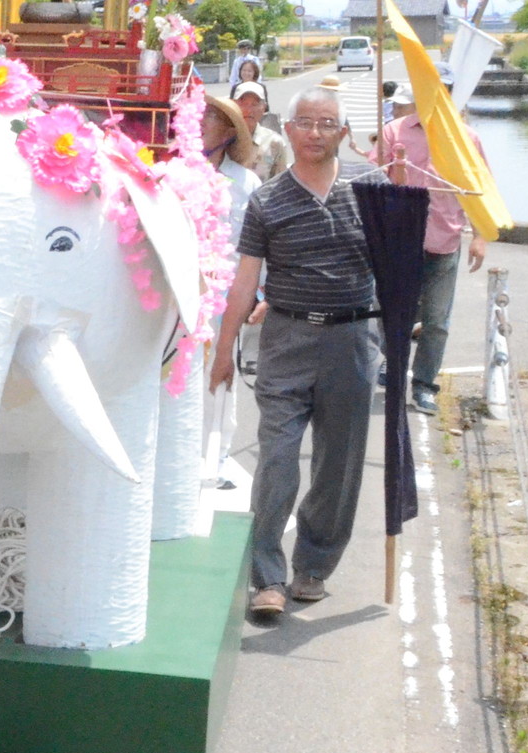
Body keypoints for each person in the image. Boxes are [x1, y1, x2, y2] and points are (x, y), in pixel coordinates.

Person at [209, 87, 381, 619]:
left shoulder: (370, 189)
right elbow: (245, 283)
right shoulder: (267, 200)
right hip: (286, 340)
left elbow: (400, 264)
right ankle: (267, 575)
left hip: (352, 341)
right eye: (304, 122)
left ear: (344, 133)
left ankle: (313, 566)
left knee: (338, 465)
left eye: (327, 123)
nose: (314, 132)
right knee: (278, 459)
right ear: (288, 130)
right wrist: (223, 350)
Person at [371, 83, 489, 414]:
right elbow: (373, 179)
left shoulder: (467, 138)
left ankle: (424, 384)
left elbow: (479, 188)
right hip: (398, 241)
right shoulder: (394, 130)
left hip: (444, 241)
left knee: (436, 320)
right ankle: (392, 363)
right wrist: (391, 164)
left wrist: (479, 236)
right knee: (392, 311)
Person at [201, 98, 262, 486]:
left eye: (212, 120)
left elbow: (254, 249)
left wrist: (258, 295)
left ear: (227, 134)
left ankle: (216, 455)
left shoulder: (246, 182)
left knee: (220, 372)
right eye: (201, 116)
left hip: (223, 295)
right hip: (177, 295)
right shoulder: (173, 172)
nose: (202, 124)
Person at [233, 82, 290, 180]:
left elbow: (280, 185)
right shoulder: (222, 139)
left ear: (264, 107)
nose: (249, 110)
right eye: (243, 103)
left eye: (254, 104)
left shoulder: (275, 143)